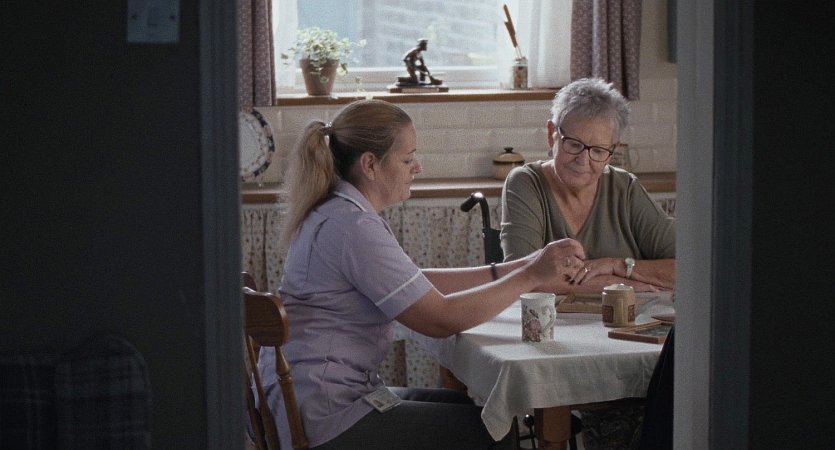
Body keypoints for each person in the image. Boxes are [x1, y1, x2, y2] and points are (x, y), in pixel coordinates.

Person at [257, 99, 587, 450]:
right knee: (494, 429)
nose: (417, 167)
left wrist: (524, 265)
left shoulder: (339, 210)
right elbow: (440, 319)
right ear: (370, 164)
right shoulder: (353, 226)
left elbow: (416, 282)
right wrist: (532, 275)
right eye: (407, 159)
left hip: (307, 402)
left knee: (475, 411)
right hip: (325, 416)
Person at [500, 77, 675, 294]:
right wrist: (626, 285)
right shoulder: (526, 182)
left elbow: (689, 266)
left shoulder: (626, 189)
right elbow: (520, 277)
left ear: (612, 151)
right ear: (551, 134)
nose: (583, 161)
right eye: (574, 145)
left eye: (598, 151)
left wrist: (617, 265)